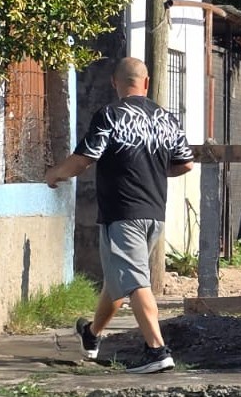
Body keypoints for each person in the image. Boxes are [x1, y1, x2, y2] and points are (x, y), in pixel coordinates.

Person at [45, 57, 194, 374]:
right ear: (147, 82)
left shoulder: (111, 115)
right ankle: (92, 335)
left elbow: (85, 157)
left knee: (136, 281)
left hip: (124, 212)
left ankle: (156, 350)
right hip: (154, 213)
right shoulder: (167, 120)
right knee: (118, 279)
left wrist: (56, 173)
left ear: (115, 82)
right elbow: (186, 163)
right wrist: (151, 171)